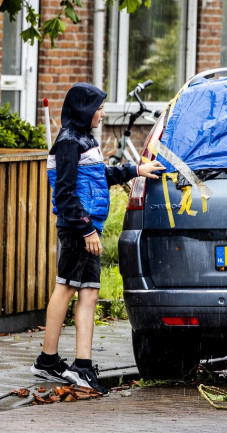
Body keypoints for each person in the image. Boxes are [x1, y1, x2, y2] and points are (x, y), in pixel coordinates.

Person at [30, 83, 165, 394]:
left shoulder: (84, 140)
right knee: (65, 288)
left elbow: (98, 175)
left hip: (89, 227)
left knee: (89, 292)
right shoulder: (67, 143)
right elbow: (64, 194)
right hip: (78, 228)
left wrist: (136, 169)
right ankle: (47, 360)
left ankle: (82, 364)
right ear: (83, 110)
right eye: (98, 108)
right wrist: (87, 229)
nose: (102, 113)